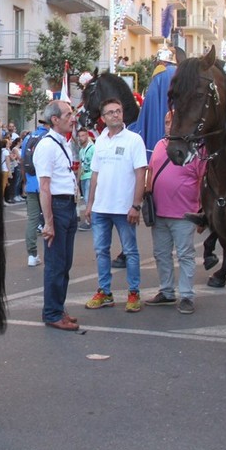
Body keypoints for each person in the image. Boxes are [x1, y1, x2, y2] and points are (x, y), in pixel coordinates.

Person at [83, 98, 147, 313]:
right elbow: (95, 175)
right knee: (101, 251)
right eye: (110, 112)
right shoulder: (99, 141)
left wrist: (136, 206)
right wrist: (89, 204)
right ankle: (104, 292)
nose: (115, 115)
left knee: (130, 251)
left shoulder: (134, 140)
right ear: (103, 118)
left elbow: (141, 175)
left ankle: (133, 293)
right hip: (101, 208)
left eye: (118, 111)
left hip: (124, 209)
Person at [144, 111, 205, 314]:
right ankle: (167, 291)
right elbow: (150, 172)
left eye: (173, 122)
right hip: (159, 212)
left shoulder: (195, 149)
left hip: (184, 213)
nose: (169, 126)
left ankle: (186, 295)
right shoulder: (160, 146)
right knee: (161, 254)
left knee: (185, 255)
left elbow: (203, 179)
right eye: (166, 122)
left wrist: (202, 212)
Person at [34, 100, 81, 331]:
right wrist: (49, 222)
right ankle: (52, 312)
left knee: (64, 263)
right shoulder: (47, 145)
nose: (73, 118)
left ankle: (57, 307)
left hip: (68, 206)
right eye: (68, 114)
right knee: (55, 264)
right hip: (58, 208)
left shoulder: (61, 142)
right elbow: (44, 186)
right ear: (55, 119)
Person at [129, 47, 176, 159]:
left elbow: (151, 103)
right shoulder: (179, 72)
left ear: (162, 62)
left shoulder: (160, 73)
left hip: (160, 125)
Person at [20, 121, 48, 267]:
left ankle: (32, 255)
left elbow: (22, 160)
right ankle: (51, 254)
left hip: (31, 184)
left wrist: (25, 181)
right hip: (46, 186)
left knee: (32, 220)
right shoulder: (49, 137)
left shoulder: (28, 137)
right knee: (50, 219)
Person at [76, 127, 94, 230]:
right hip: (83, 176)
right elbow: (80, 166)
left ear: (87, 136)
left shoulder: (92, 148)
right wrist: (77, 182)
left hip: (90, 176)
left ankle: (90, 221)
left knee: (88, 198)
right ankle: (90, 219)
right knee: (86, 199)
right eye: (79, 136)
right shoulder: (81, 150)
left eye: (83, 136)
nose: (81, 138)